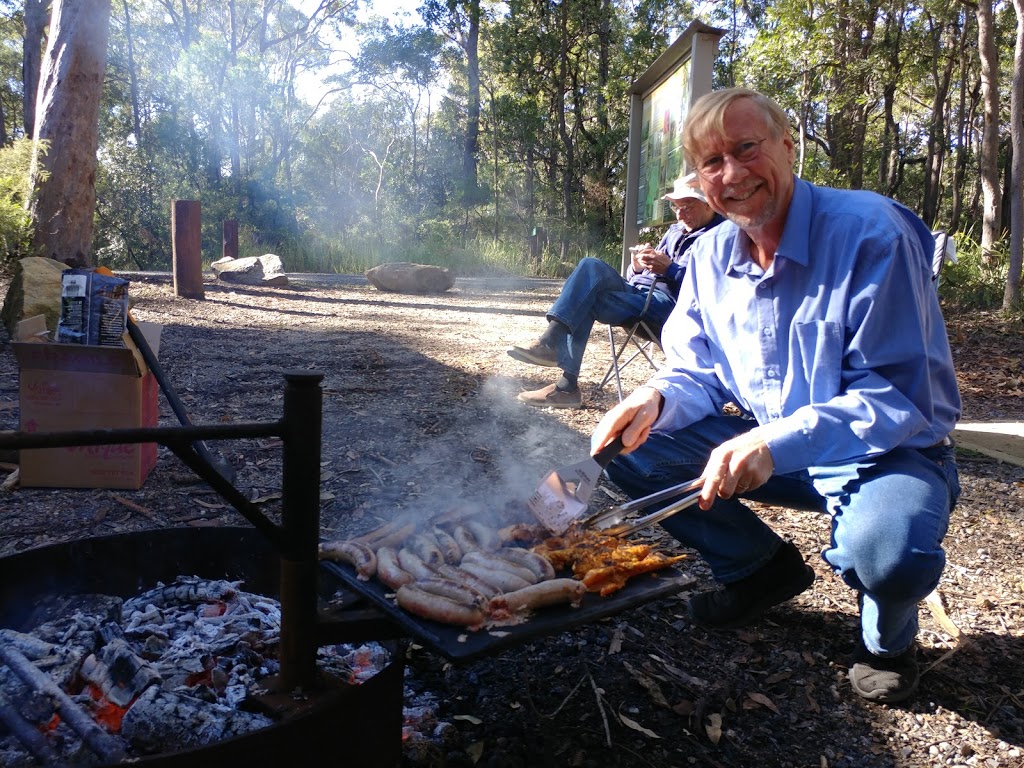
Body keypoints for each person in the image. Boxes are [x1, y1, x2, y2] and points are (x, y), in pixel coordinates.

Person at [590, 87, 961, 704]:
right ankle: (760, 570)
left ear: (788, 148)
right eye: (712, 163)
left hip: (886, 454)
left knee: (889, 554)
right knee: (629, 446)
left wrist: (774, 439)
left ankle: (887, 642)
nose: (731, 175)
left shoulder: (872, 233)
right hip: (777, 449)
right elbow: (697, 373)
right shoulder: (708, 255)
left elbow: (900, 395)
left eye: (746, 149)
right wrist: (654, 400)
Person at [507, 175, 725, 409]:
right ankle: (554, 352)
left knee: (585, 299)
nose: (680, 214)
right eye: (676, 206)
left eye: (687, 206)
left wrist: (670, 269)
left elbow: (710, 288)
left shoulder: (720, 238)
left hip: (669, 309)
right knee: (590, 265)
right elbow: (635, 277)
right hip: (639, 295)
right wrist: (637, 266)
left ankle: (561, 372)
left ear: (709, 203)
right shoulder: (674, 231)